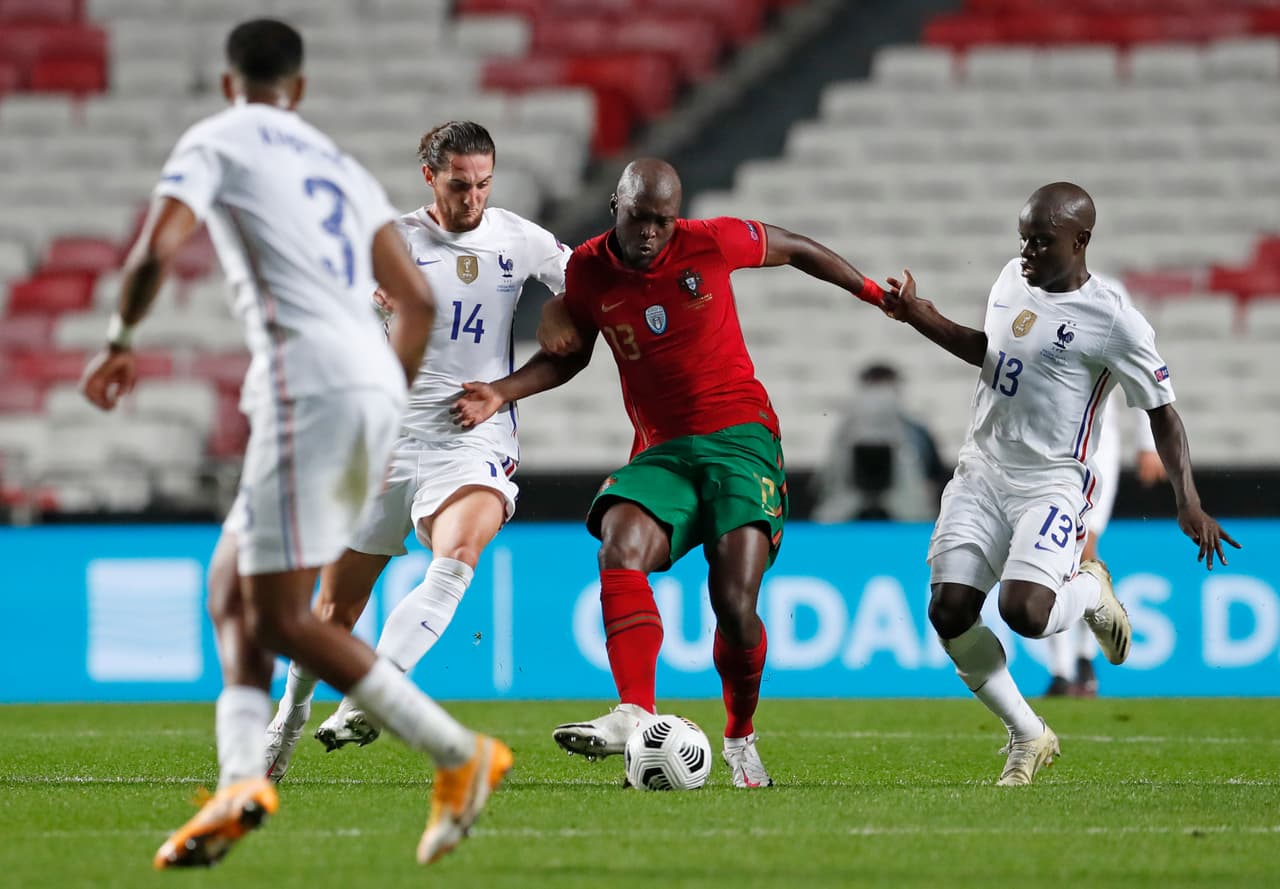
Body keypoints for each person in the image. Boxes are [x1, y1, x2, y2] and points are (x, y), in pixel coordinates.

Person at [78, 21, 511, 868]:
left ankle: (459, 755)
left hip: (302, 384)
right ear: (301, 90)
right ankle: (241, 778)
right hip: (359, 385)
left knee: (278, 611)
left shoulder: (216, 139)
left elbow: (156, 246)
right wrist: (383, 403)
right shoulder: (337, 163)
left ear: (229, 83)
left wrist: (121, 334)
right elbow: (417, 308)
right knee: (230, 586)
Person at [451, 158, 887, 788]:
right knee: (619, 546)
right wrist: (501, 390)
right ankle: (635, 711)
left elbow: (792, 246)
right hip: (662, 449)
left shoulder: (709, 240)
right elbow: (570, 358)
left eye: (662, 220)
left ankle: (740, 736)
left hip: (742, 441)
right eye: (640, 218)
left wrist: (870, 292)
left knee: (734, 606)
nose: (652, 232)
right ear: (615, 207)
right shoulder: (587, 271)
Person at [879, 182, 1239, 786]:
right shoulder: (1010, 280)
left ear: (1081, 241)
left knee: (1024, 611)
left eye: (1041, 242)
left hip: (1052, 482)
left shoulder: (1114, 319)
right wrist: (920, 314)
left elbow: (1163, 413)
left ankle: (1092, 595)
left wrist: (1189, 502)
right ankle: (1027, 733)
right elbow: (990, 352)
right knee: (949, 611)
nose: (1027, 253)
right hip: (982, 469)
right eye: (1023, 239)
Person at [262, 120, 570, 778]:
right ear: (429, 177)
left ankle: (375, 691)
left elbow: (588, 288)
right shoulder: (390, 242)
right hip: (387, 441)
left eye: (485, 184)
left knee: (458, 553)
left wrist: (563, 320)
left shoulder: (520, 238)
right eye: (460, 185)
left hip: (473, 435)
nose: (474, 198)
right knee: (333, 610)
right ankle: (288, 717)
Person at [1042, 394, 1166, 697]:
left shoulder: (1108, 342)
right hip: (1047, 448)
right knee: (1049, 556)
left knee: (1082, 549)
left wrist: (1148, 444)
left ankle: (1084, 659)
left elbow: (1142, 374)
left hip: (1096, 449)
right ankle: (1062, 671)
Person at [810, 362, 947, 522]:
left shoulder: (917, 433)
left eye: (884, 389)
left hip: (906, 514)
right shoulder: (843, 434)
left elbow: (932, 478)